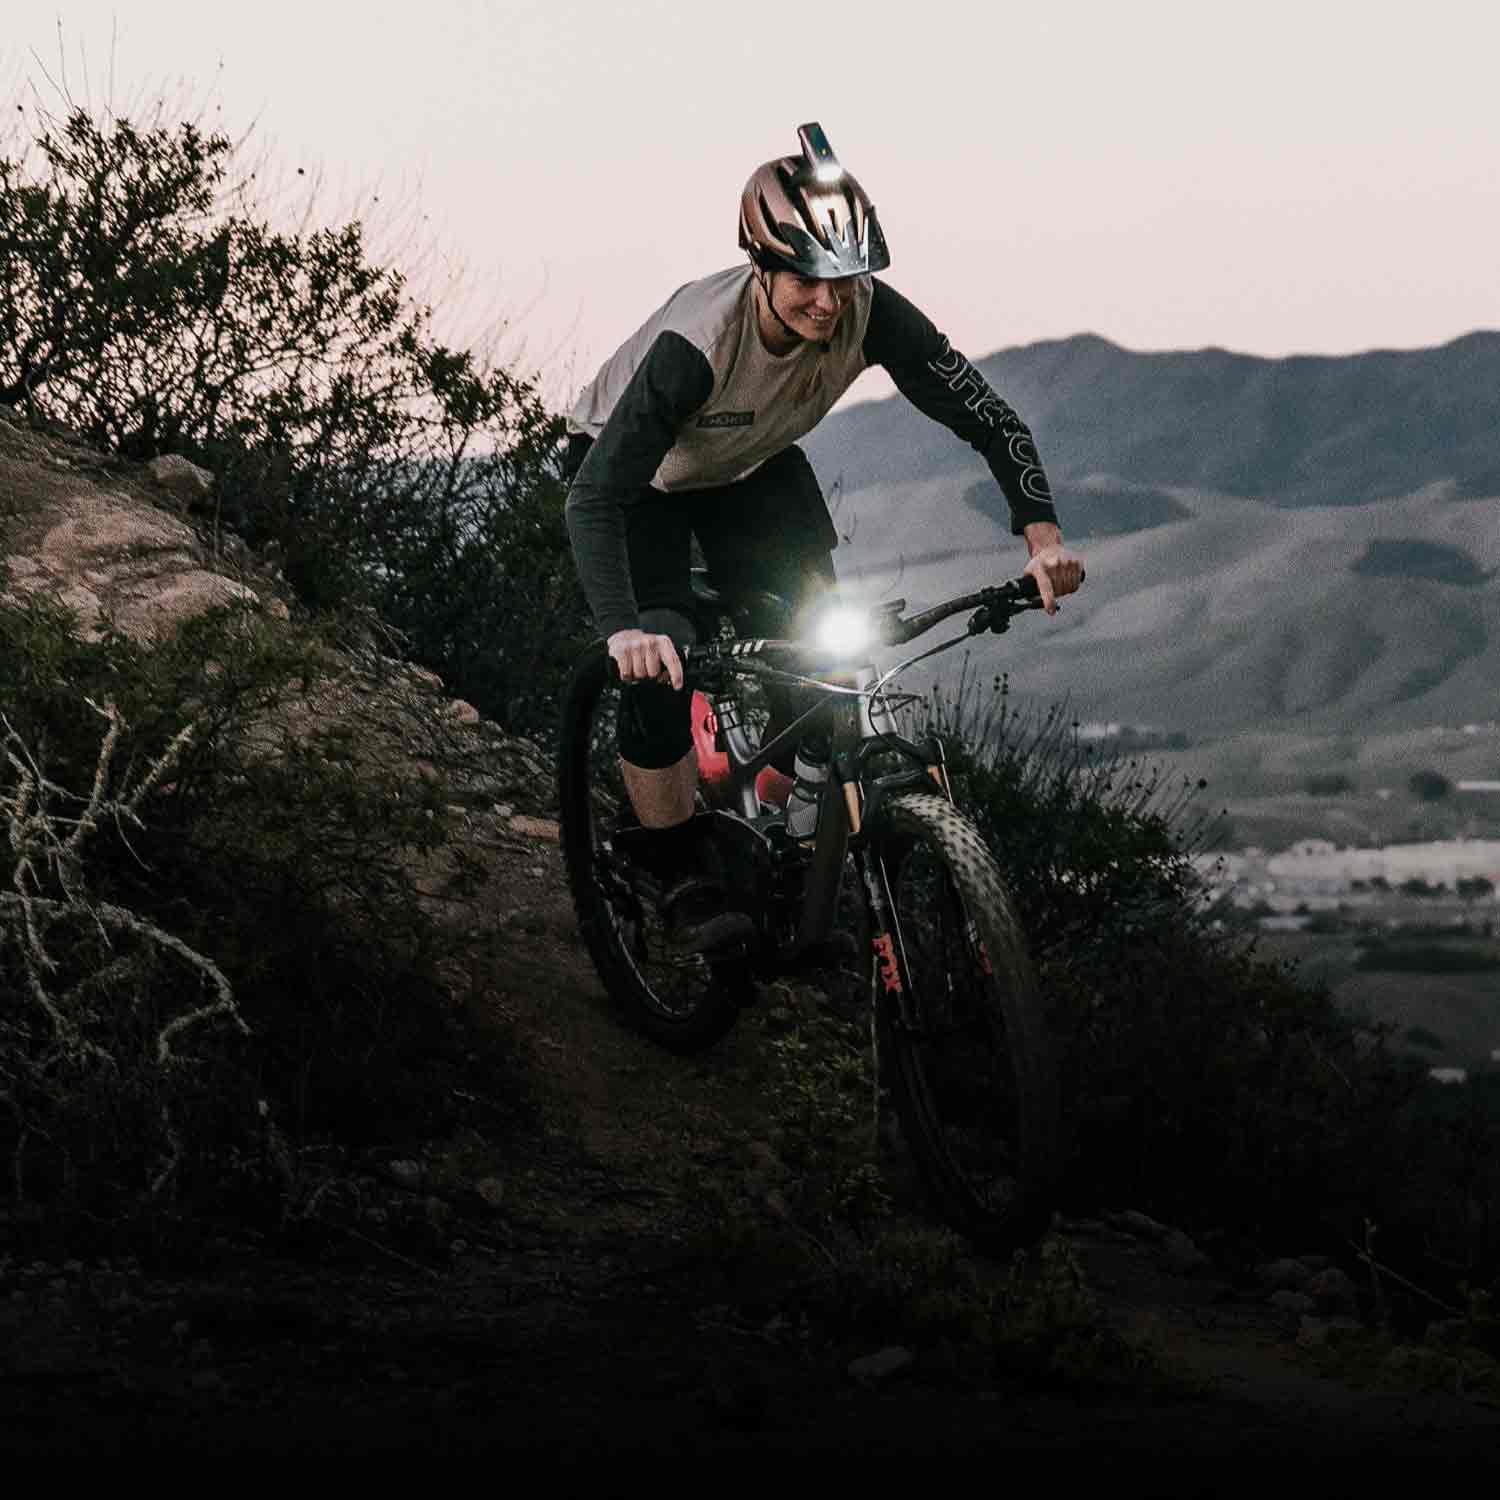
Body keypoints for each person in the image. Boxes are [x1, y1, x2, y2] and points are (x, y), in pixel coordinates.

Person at [563, 122, 1083, 953]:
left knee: (821, 647)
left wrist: (1042, 538)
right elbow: (592, 499)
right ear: (762, 267)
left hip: (750, 466)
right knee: (664, 655)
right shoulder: (697, 346)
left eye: (845, 279)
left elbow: (987, 416)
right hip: (639, 482)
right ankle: (672, 862)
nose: (828, 302)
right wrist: (622, 629)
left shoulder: (869, 315)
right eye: (805, 279)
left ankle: (785, 828)